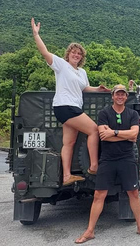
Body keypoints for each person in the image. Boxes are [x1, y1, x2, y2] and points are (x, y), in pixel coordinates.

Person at [31, 18, 109, 186]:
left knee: (69, 142)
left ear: (82, 57)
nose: (76, 55)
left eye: (79, 54)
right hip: (65, 106)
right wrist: (36, 35)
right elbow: (44, 52)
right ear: (68, 54)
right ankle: (94, 166)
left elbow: (84, 88)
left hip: (72, 107)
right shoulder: (61, 65)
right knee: (94, 130)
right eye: (74, 52)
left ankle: (67, 176)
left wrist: (98, 89)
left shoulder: (82, 72)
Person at [75, 85, 140, 244]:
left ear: (126, 97)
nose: (120, 97)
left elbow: (134, 134)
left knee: (134, 193)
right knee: (99, 195)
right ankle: (90, 231)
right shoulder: (104, 113)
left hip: (127, 158)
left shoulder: (131, 114)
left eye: (123, 94)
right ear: (113, 96)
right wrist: (121, 135)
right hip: (108, 159)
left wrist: (114, 132)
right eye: (117, 94)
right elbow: (103, 136)